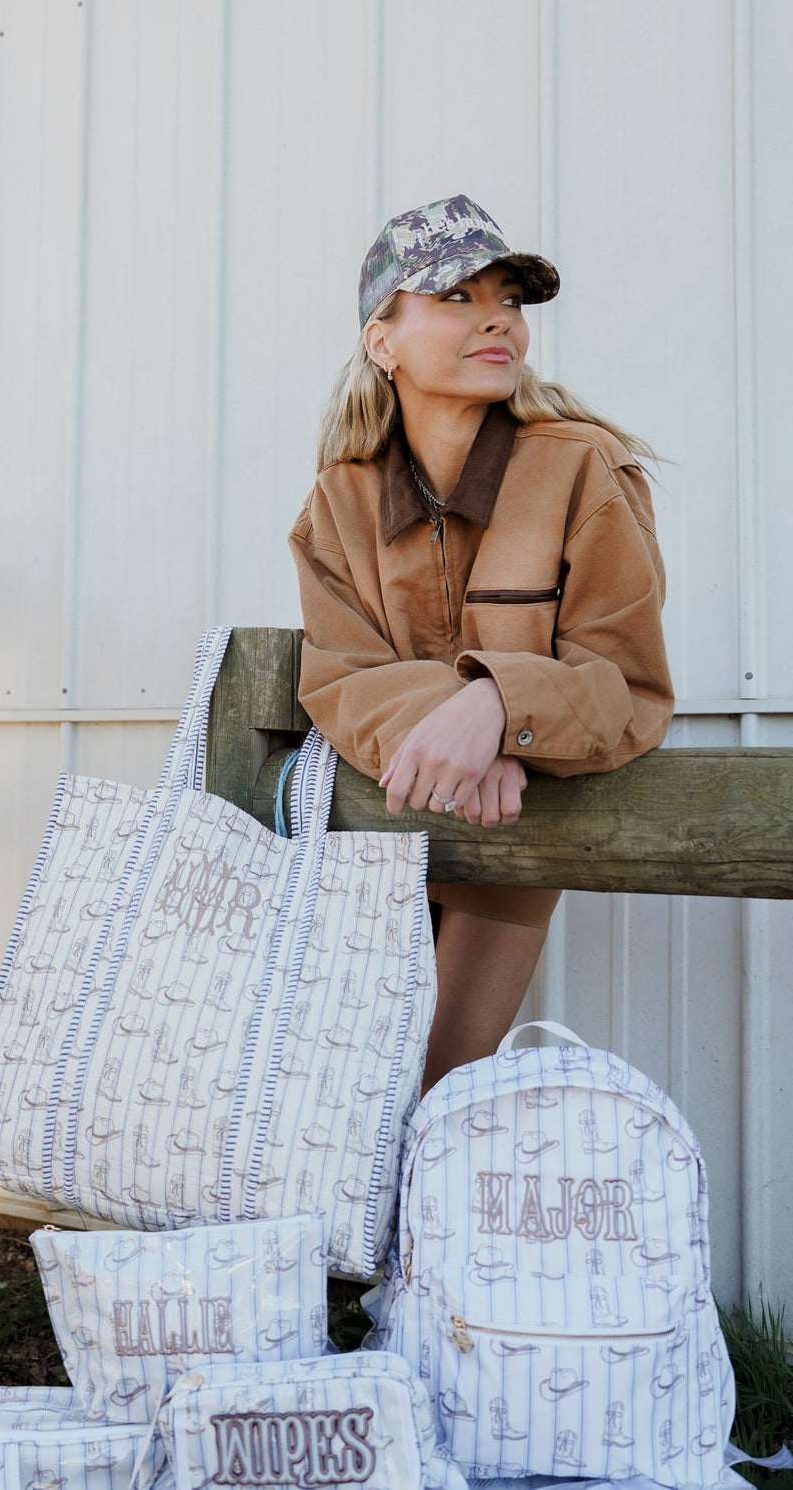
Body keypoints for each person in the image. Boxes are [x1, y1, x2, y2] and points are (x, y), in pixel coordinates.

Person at [288, 195, 673, 1089]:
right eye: (457, 296)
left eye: (509, 299)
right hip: (374, 847)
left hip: (513, 847)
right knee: (334, 1103)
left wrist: (500, 706)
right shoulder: (338, 503)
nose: (497, 318)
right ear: (382, 341)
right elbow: (341, 675)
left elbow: (627, 685)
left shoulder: (581, 468)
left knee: (431, 1089)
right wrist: (464, 718)